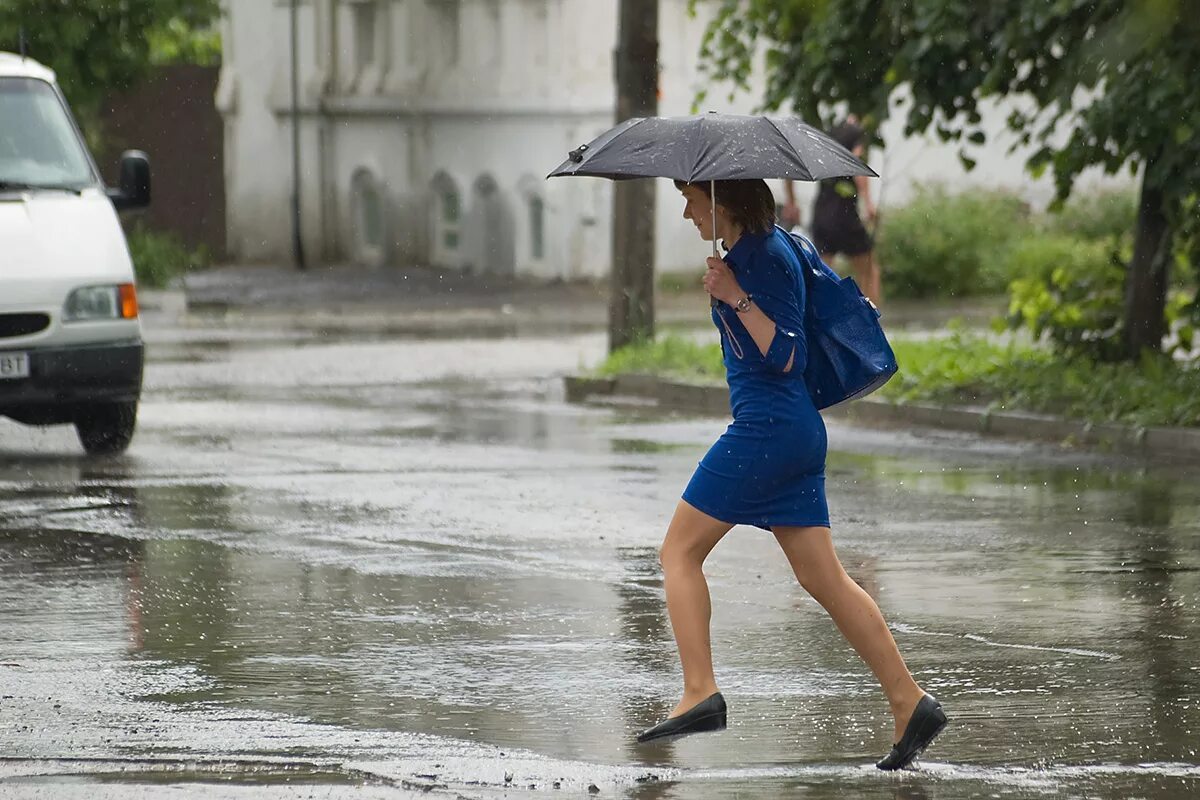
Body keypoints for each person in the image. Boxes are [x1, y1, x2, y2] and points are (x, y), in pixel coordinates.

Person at [635, 178, 946, 771]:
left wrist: (735, 296)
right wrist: (730, 288)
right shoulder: (759, 251)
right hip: (790, 432)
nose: (685, 211)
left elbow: (786, 356)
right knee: (825, 580)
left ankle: (700, 690)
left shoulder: (765, 257)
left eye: (691, 199)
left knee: (678, 552)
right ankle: (910, 702)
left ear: (720, 201)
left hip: (768, 430)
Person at [796, 119, 883, 306]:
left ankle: (820, 315)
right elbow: (858, 168)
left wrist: (791, 200)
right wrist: (869, 205)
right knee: (868, 270)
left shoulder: (829, 134)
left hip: (821, 213)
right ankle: (873, 317)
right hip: (845, 215)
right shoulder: (857, 133)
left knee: (822, 273)